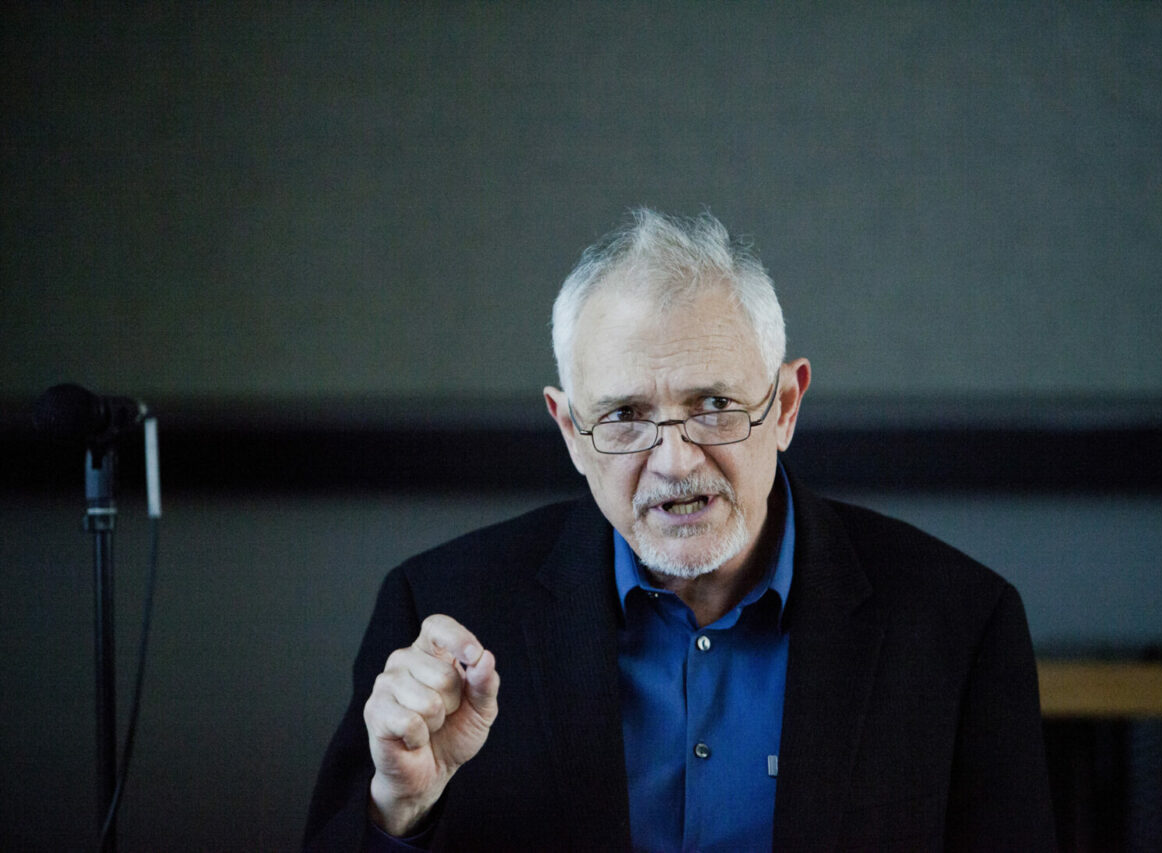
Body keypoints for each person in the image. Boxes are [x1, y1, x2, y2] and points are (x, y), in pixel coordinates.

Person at [304, 209, 1056, 851]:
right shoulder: (439, 605)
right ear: (570, 430)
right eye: (626, 416)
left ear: (786, 406)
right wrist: (400, 812)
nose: (674, 461)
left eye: (713, 405)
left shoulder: (961, 621)